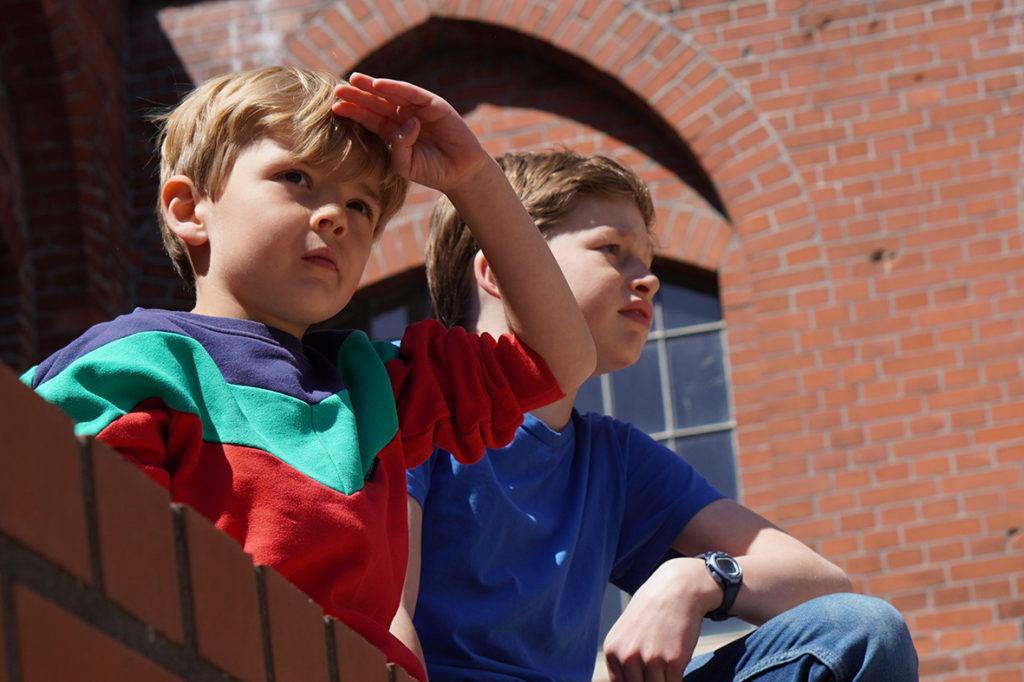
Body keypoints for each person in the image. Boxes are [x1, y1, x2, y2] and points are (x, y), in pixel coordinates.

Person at [20, 67, 595, 682]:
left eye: (361, 205)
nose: (335, 217)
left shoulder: (375, 387)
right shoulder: (131, 366)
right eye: (296, 178)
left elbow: (559, 361)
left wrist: (473, 178)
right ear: (189, 209)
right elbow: (90, 569)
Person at [397, 149, 918, 681]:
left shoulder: (611, 459)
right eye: (613, 249)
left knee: (859, 632)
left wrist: (697, 580)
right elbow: (385, 631)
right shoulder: (405, 391)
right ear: (498, 270)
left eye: (647, 259)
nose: (647, 279)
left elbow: (825, 586)